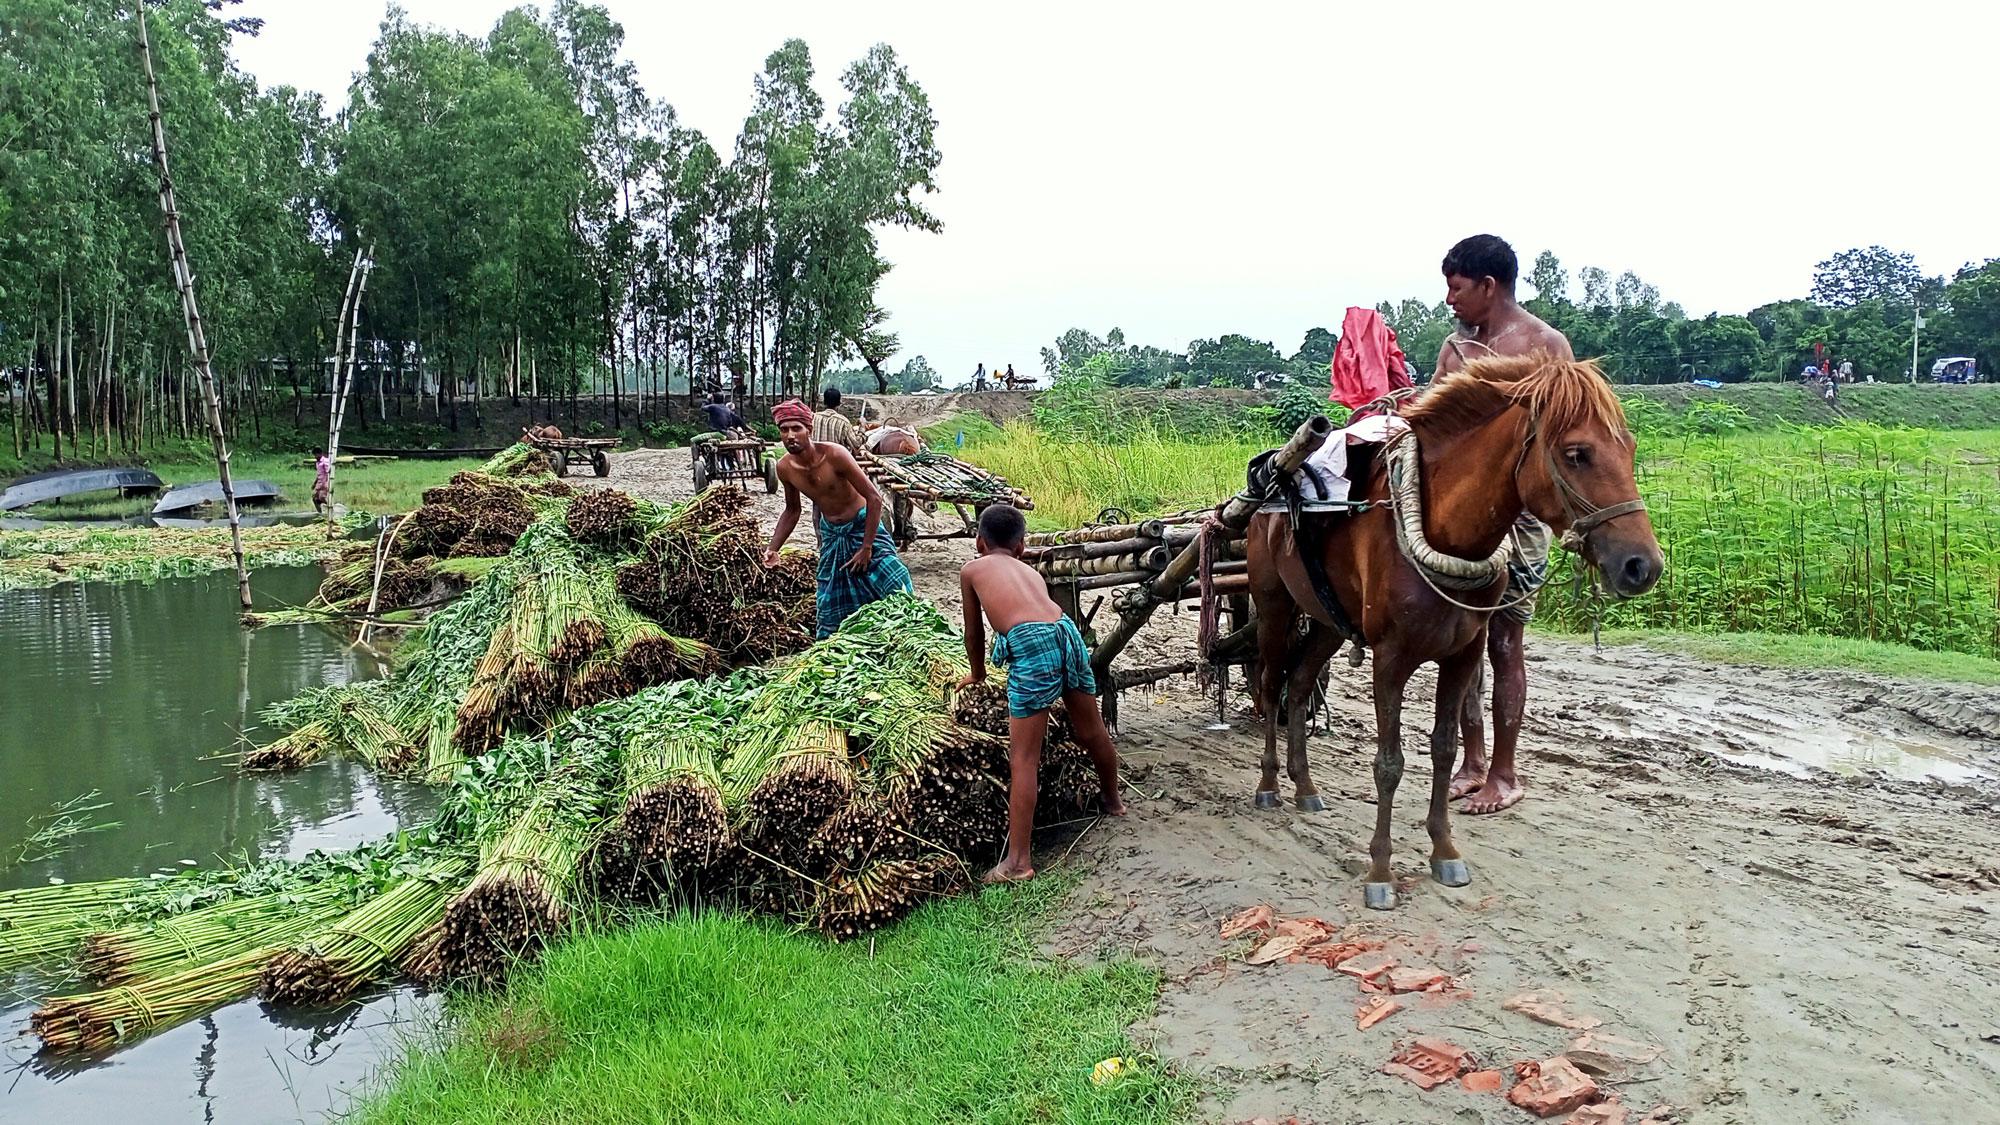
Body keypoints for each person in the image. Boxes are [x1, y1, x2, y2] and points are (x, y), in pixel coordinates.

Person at [1432, 234, 1575, 816]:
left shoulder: (1546, 346)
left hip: (1520, 523)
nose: (1449, 299)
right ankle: (1469, 761)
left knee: (1504, 641)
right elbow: (1435, 430)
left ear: (1489, 286)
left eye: (1457, 287)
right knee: (1459, 638)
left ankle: (1505, 773)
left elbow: (1564, 438)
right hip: (1460, 524)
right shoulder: (1455, 349)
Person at [957, 503, 1125, 883]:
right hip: (1066, 633)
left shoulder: (972, 569)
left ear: (979, 541)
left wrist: (977, 674)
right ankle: (1113, 801)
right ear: (1020, 547)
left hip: (1030, 643)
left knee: (1024, 759)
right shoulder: (1028, 569)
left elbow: (975, 634)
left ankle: (1017, 863)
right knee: (1091, 730)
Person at [762, 399, 912, 637]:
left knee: (894, 579)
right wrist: (773, 548)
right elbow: (792, 511)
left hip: (863, 525)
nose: (790, 435)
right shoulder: (785, 468)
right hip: (832, 533)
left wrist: (867, 547)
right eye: (784, 429)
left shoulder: (835, 455)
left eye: (796, 428)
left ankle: (907, 633)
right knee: (831, 596)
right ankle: (838, 640)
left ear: (808, 430)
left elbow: (874, 499)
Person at [813, 387, 863, 452]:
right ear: (839, 403)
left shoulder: (813, 418)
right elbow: (857, 445)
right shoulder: (844, 422)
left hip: (815, 460)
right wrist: (862, 428)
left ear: (824, 402)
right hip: (836, 461)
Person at [312, 449, 332, 515]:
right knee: (314, 498)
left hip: (325, 483)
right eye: (314, 455)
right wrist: (314, 483)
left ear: (320, 454)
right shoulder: (317, 462)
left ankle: (331, 509)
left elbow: (328, 472)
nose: (315, 456)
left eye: (316, 455)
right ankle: (320, 513)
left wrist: (327, 483)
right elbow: (319, 474)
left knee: (322, 497)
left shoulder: (325, 461)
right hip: (319, 483)